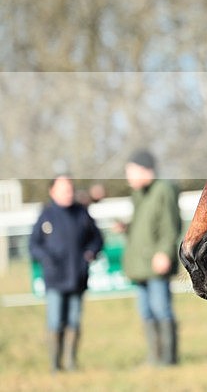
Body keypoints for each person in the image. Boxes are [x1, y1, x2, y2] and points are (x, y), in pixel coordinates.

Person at [29, 174, 104, 372]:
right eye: (63, 190)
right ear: (52, 192)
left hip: (78, 277)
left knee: (74, 321)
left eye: (70, 189)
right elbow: (33, 245)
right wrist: (46, 258)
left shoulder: (82, 213)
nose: (68, 193)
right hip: (55, 278)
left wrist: (90, 253)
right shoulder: (46, 215)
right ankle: (55, 365)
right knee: (55, 321)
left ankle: (71, 363)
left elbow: (97, 239)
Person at [118, 150, 182, 366]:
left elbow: (170, 226)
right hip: (141, 264)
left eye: (131, 171)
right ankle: (154, 358)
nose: (128, 177)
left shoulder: (163, 190)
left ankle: (168, 359)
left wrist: (164, 252)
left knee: (161, 309)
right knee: (146, 311)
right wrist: (126, 228)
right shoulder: (140, 194)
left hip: (156, 262)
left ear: (145, 170)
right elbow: (144, 227)